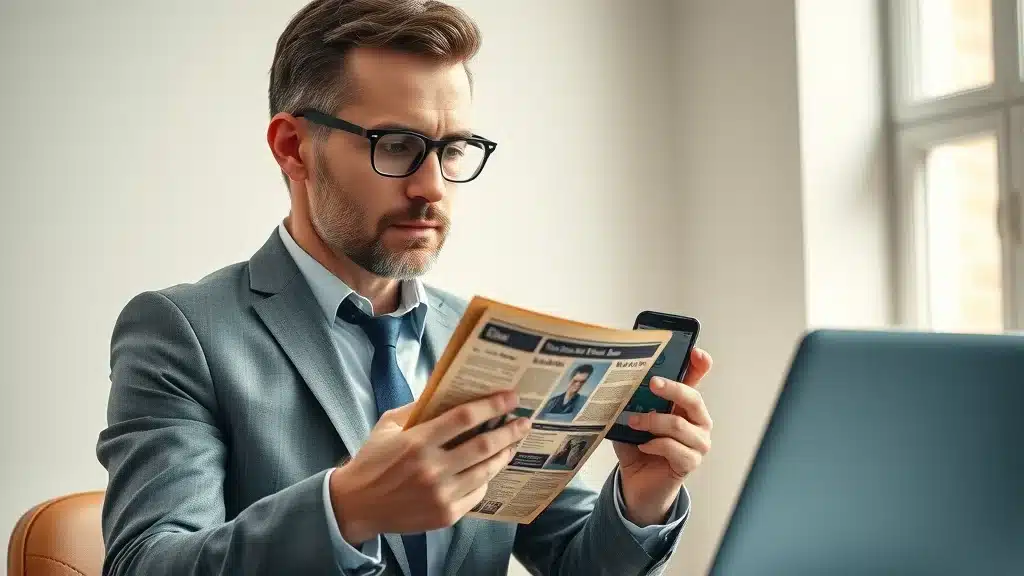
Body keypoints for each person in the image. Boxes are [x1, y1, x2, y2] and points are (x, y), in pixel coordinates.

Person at [95, 1, 716, 575]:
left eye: (452, 149)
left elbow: (576, 560)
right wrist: (345, 511)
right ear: (293, 147)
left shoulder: (489, 341)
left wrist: (642, 496)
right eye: (396, 145)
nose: (432, 187)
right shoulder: (183, 331)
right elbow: (146, 564)